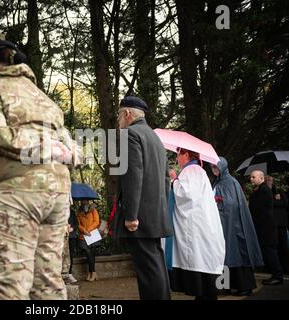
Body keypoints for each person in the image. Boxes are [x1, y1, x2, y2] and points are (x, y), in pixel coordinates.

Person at [0, 40, 81, 300]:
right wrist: (57, 152)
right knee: (47, 284)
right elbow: (71, 148)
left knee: (7, 286)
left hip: (10, 196)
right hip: (55, 196)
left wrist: (40, 148)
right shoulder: (46, 100)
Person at [113, 96, 172, 300]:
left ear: (127, 114)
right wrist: (161, 209)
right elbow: (166, 178)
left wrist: (131, 215)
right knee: (155, 266)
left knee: (148, 272)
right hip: (154, 214)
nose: (118, 121)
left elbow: (132, 176)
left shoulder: (130, 134)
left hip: (139, 217)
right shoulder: (155, 137)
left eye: (119, 116)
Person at [170, 148, 225, 300]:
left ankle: (204, 295)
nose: (177, 159)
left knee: (199, 259)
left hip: (197, 226)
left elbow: (187, 195)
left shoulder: (191, 170)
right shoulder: (197, 171)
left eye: (178, 155)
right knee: (204, 261)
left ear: (186, 155)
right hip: (203, 224)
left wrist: (174, 180)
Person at [211, 157, 263, 296]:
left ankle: (245, 286)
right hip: (222, 224)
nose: (213, 169)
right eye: (212, 167)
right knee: (223, 254)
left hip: (233, 225)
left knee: (237, 254)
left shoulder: (229, 182)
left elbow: (232, 205)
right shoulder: (218, 182)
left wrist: (218, 205)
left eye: (216, 166)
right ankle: (224, 286)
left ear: (222, 167)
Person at [249, 170, 283, 285]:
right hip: (264, 227)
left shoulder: (264, 190)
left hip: (266, 228)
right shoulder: (261, 190)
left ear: (261, 178)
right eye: (251, 177)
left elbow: (257, 208)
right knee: (269, 251)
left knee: (270, 251)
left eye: (254, 177)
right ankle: (276, 275)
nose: (251, 179)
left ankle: (277, 276)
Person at [266, 176, 289, 274]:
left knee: (284, 246)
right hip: (271, 224)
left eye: (270, 181)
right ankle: (276, 268)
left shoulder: (279, 191)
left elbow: (285, 203)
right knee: (274, 246)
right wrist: (274, 200)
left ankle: (287, 268)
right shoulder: (265, 192)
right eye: (267, 181)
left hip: (281, 223)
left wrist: (274, 201)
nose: (269, 182)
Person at [76, 200, 100, 281]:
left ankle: (92, 273)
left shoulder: (93, 209)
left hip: (92, 235)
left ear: (88, 201)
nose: (84, 202)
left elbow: (96, 221)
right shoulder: (79, 211)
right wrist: (84, 230)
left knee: (92, 253)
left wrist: (88, 230)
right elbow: (78, 224)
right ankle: (93, 272)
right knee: (87, 252)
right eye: (83, 201)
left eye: (86, 200)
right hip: (83, 235)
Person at [62, 208, 78, 284]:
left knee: (70, 254)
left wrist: (72, 228)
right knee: (63, 255)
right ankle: (62, 274)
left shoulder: (72, 212)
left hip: (71, 237)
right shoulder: (60, 210)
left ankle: (69, 273)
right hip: (63, 236)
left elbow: (76, 224)